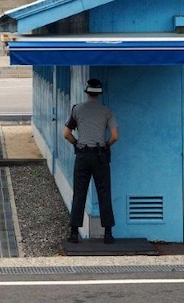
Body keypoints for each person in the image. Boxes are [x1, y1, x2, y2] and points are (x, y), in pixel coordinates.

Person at [63, 78, 119, 244]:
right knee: (104, 192)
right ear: (100, 94)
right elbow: (115, 136)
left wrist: (77, 144)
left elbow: (66, 133)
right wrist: (106, 146)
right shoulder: (107, 111)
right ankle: (108, 233)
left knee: (80, 192)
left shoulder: (77, 109)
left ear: (86, 92)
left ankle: (74, 232)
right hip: (100, 155)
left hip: (82, 155)